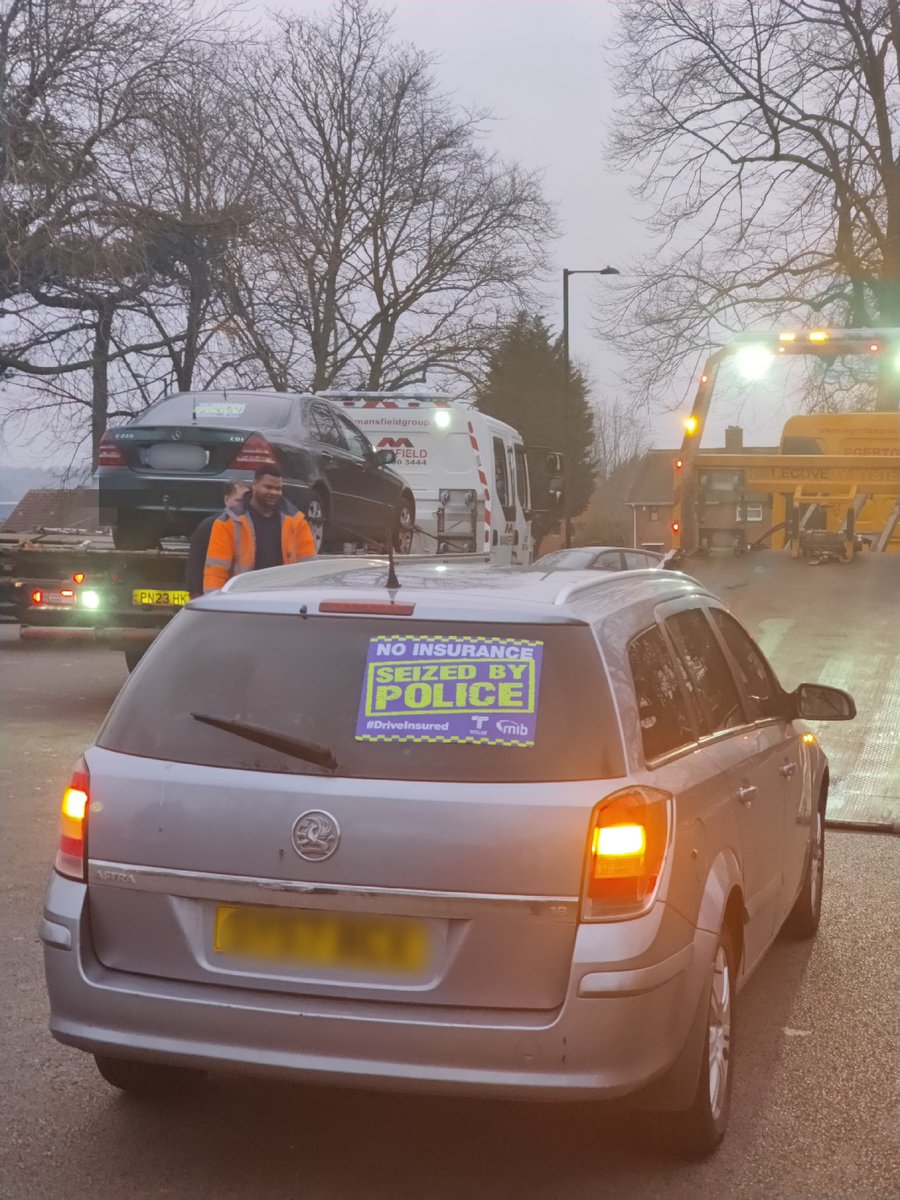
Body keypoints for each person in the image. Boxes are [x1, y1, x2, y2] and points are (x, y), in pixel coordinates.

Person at [203, 466, 316, 593]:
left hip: (284, 599)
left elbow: (308, 571)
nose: (273, 492)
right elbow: (215, 571)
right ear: (254, 485)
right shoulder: (228, 522)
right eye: (268, 487)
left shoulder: (297, 523)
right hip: (242, 600)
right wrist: (214, 604)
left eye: (278, 489)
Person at [184, 481, 250, 599]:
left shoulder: (251, 528)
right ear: (226, 499)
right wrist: (196, 595)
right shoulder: (209, 526)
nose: (241, 506)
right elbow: (195, 563)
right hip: (214, 595)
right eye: (238, 501)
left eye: (245, 502)